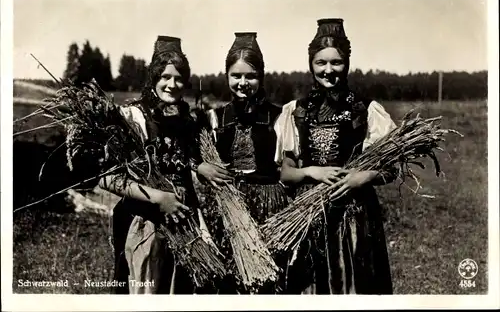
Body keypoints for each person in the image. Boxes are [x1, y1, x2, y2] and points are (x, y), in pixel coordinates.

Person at [274, 18, 396, 294]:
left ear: (347, 63)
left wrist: (362, 177)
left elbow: (391, 169)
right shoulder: (296, 111)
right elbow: (286, 173)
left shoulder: (367, 110)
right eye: (321, 63)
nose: (328, 71)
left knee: (354, 285)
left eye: (336, 62)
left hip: (355, 218)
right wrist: (311, 171)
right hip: (309, 218)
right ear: (311, 64)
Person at [99, 35, 211, 294]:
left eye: (179, 78)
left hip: (183, 225)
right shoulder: (134, 118)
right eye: (165, 77)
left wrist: (200, 225)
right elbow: (106, 178)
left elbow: (185, 180)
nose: (172, 85)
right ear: (153, 78)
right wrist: (159, 198)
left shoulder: (186, 122)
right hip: (144, 224)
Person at [196, 32, 291, 293]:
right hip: (225, 209)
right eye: (236, 76)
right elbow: (196, 159)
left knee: (266, 282)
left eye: (251, 76)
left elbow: (288, 165)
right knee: (226, 280)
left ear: (261, 77)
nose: (243, 83)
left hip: (269, 209)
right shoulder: (215, 118)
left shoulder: (279, 116)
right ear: (227, 76)